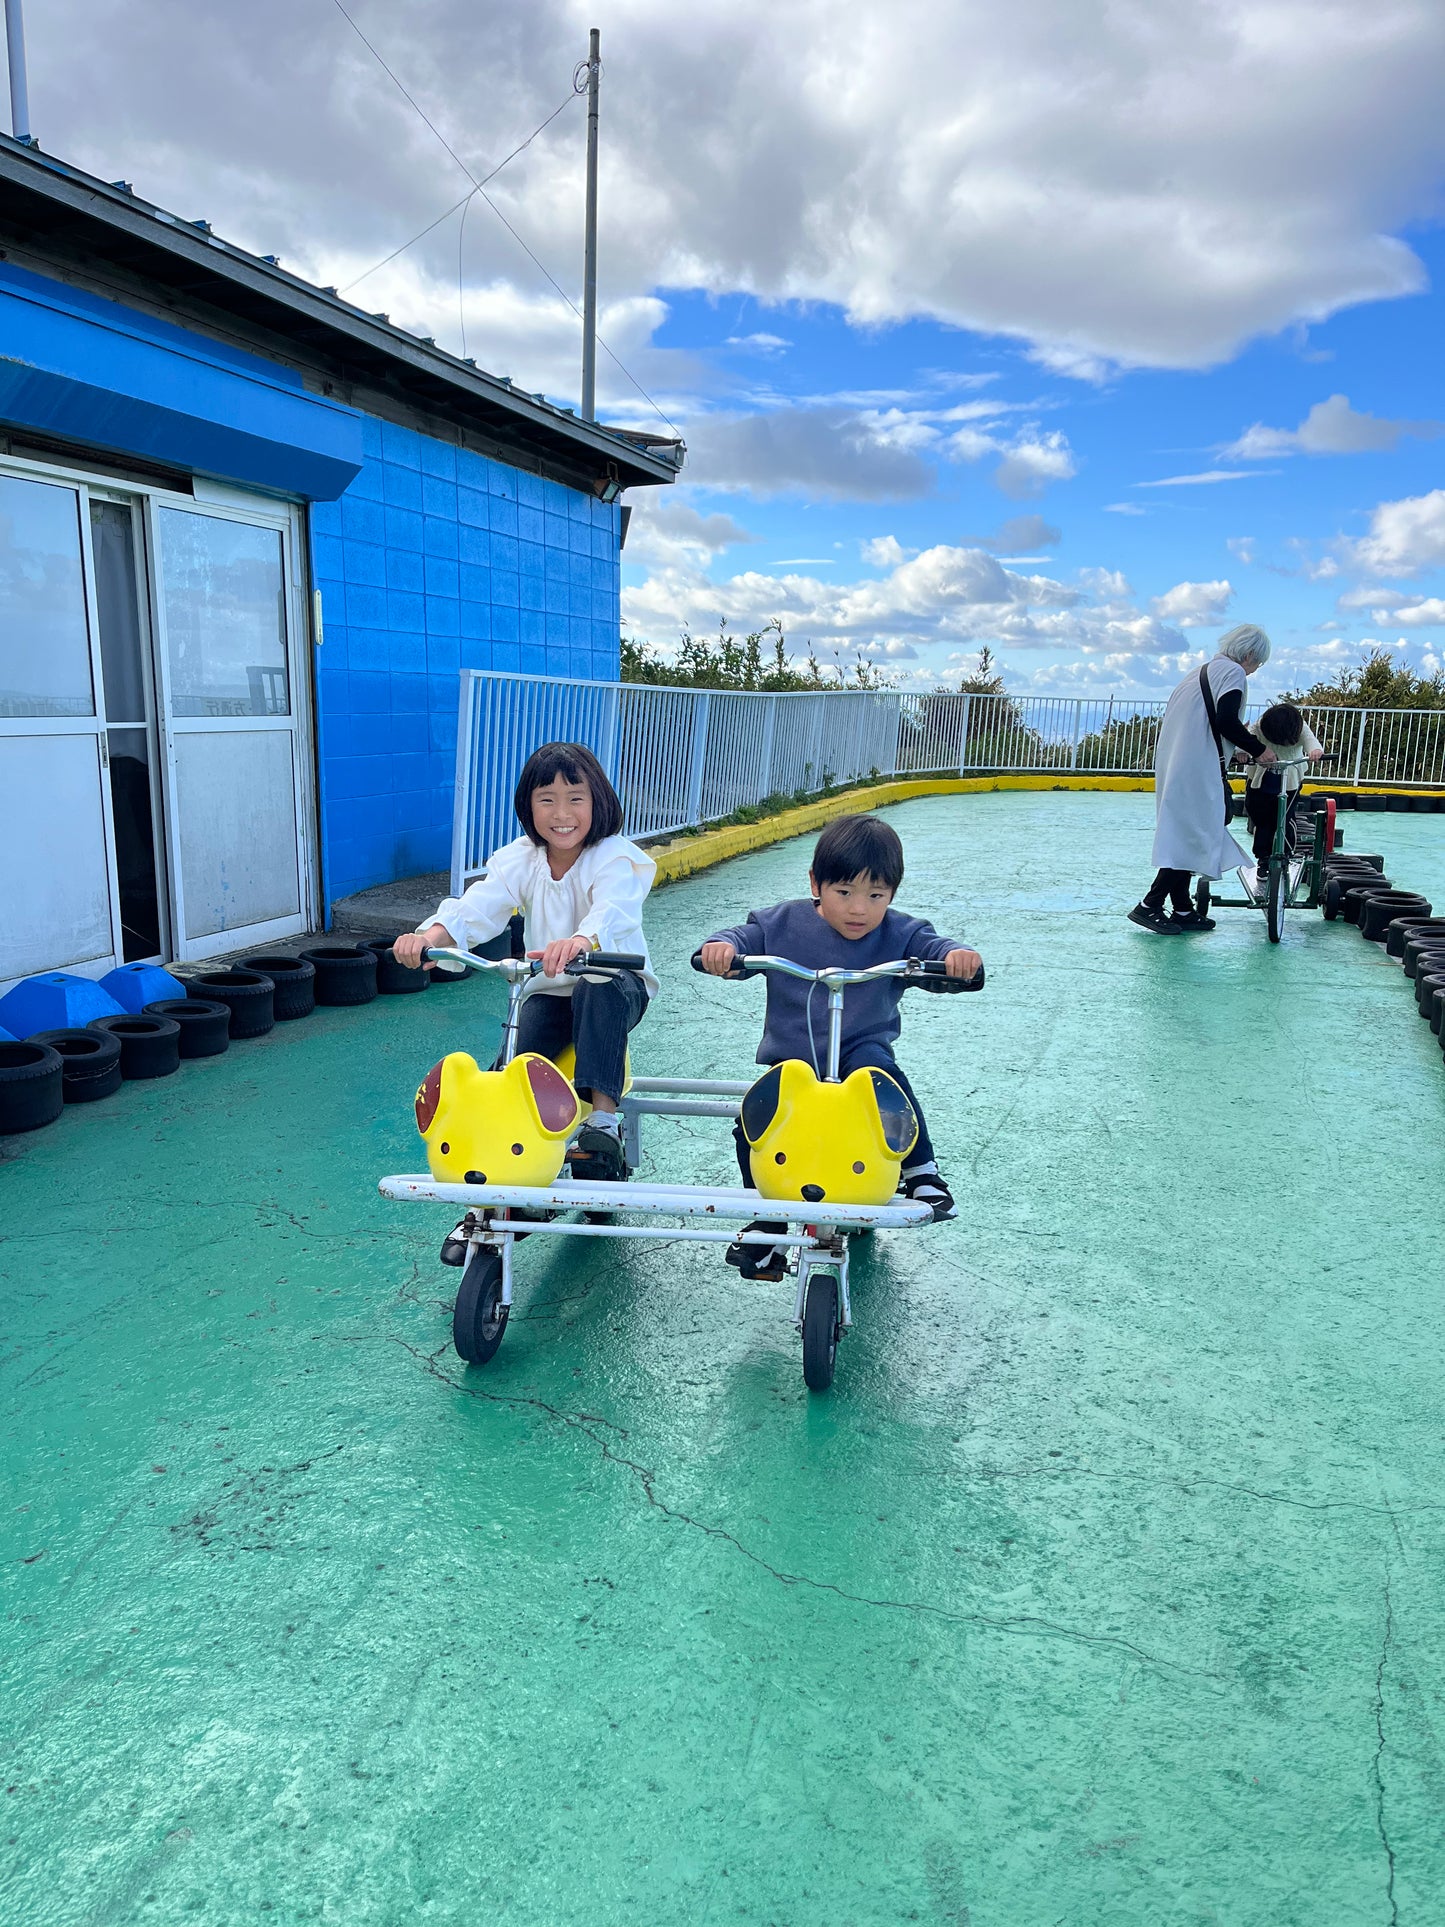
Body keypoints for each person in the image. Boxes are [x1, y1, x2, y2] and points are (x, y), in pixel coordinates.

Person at [697, 813, 982, 1280]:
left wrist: (955, 959)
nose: (859, 909)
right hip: (794, 1059)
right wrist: (722, 949)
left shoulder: (900, 934)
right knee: (755, 1123)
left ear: (892, 894)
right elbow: (742, 938)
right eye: (844, 892)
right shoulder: (780, 924)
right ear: (816, 884)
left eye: (876, 896)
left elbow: (933, 948)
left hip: (861, 1050)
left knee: (882, 1080)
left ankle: (921, 1171)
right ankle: (768, 1221)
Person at [395, 743, 656, 1218]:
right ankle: (498, 1176)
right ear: (528, 806)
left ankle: (603, 1119)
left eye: (575, 798)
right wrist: (432, 936)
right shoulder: (522, 859)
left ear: (597, 801)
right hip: (549, 988)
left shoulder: (613, 857)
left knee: (596, 985)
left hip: (615, 983)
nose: (562, 814)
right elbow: (479, 905)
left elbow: (614, 908)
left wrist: (581, 940)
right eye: (546, 800)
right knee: (515, 1064)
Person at [1129, 624, 1276, 934]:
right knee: (1196, 835)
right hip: (1198, 768)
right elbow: (1226, 721)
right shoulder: (1233, 673)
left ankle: (1183, 908)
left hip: (1176, 764)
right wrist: (1259, 749)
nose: (1255, 669)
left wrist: (1235, 749)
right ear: (1249, 654)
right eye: (1258, 663)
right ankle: (1150, 905)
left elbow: (1204, 722)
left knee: (1185, 834)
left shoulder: (1199, 672)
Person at [1241, 703, 1324, 882]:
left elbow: (1310, 740)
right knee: (1262, 821)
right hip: (1260, 782)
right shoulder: (1260, 726)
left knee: (1285, 819)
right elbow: (1246, 739)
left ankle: (1285, 855)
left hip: (1290, 781)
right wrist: (1241, 752)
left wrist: (1315, 751)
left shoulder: (1299, 727)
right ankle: (1263, 859)